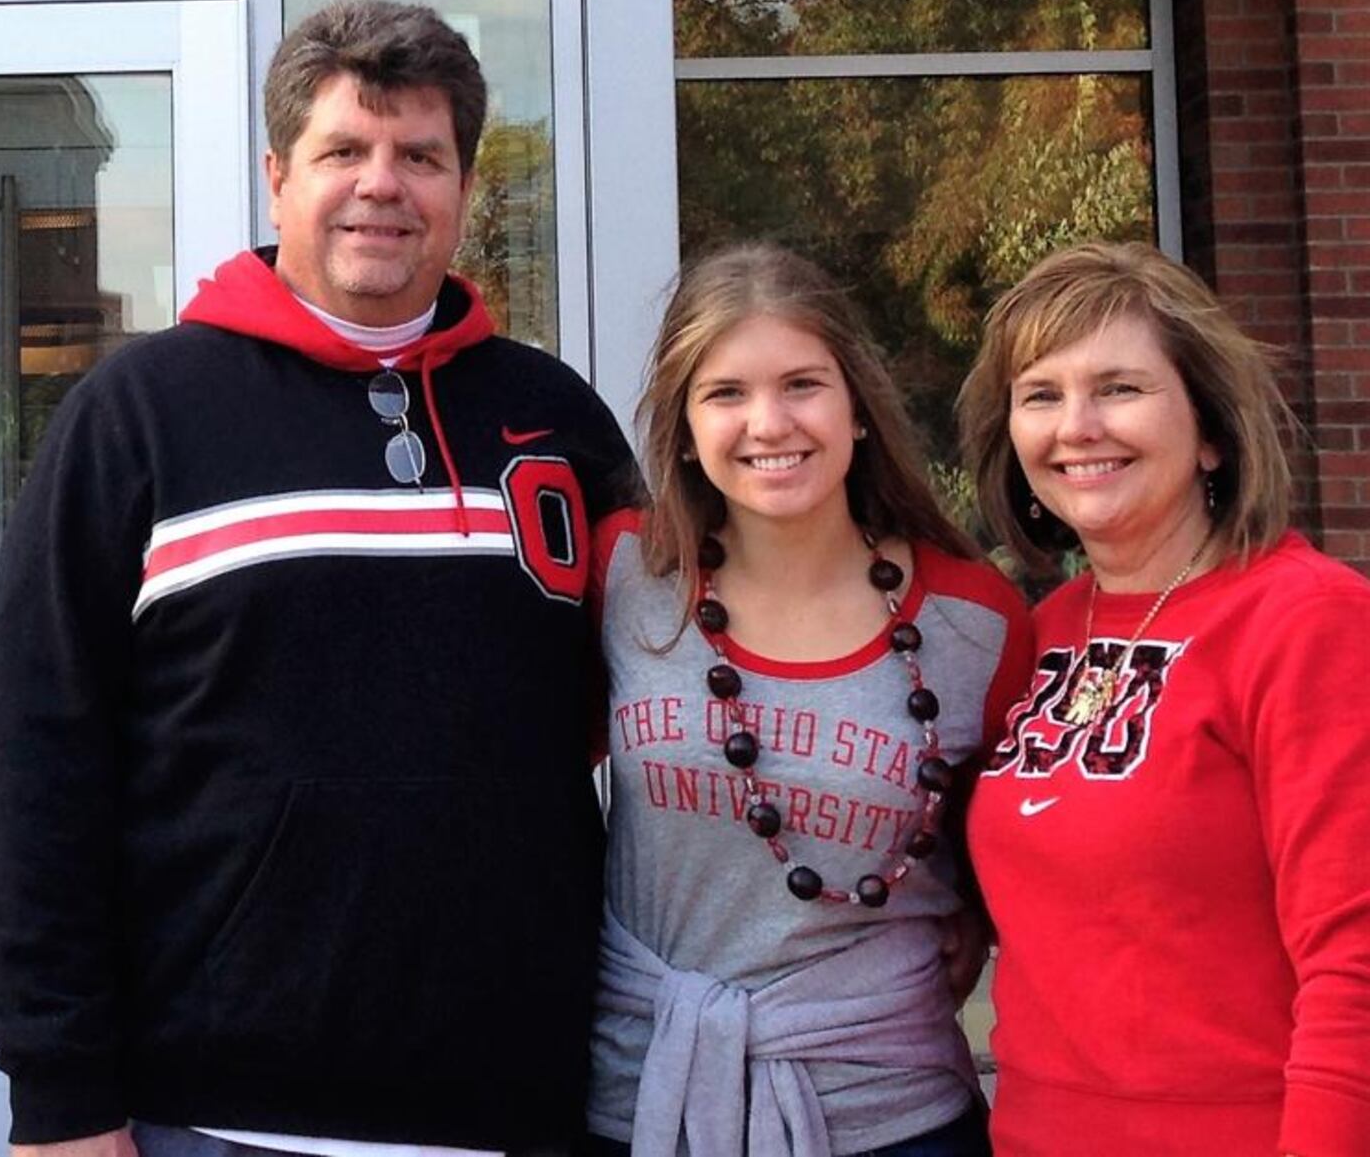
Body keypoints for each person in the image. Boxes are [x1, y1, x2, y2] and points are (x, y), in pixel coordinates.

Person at [0, 0, 638, 1157]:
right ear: (278, 175)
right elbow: (35, 755)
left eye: (420, 156)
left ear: (463, 188)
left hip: (514, 1103)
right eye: (344, 151)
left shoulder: (554, 419)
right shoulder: (140, 416)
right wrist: (61, 1092)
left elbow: (683, 690)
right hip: (208, 1112)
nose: (383, 184)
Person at [584, 244, 1033, 1156]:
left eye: (802, 383)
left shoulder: (975, 623)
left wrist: (976, 915)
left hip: (893, 1114)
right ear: (680, 426)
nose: (768, 422)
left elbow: (1032, 844)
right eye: (725, 394)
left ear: (857, 406)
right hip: (640, 1099)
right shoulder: (626, 574)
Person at [957, 240, 1370, 1157]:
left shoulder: (1306, 622)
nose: (1078, 426)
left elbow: (1356, 959)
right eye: (1042, 395)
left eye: (1121, 388)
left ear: (1211, 428)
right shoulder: (1049, 631)